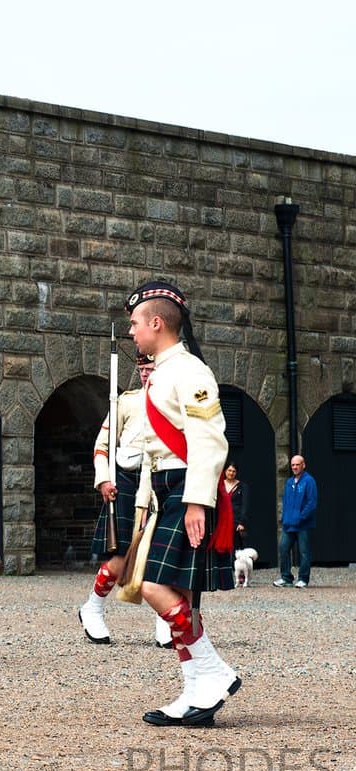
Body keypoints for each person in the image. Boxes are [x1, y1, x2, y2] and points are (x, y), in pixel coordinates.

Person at [126, 281, 240, 727]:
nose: (132, 331)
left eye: (136, 323)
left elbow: (210, 438)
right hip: (166, 489)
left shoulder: (189, 370)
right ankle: (198, 691)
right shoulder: (164, 370)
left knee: (153, 587)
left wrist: (196, 502)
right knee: (183, 599)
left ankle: (213, 672)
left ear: (156, 323)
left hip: (187, 488)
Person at [78, 354, 168, 646]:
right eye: (141, 368)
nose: (145, 373)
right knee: (119, 556)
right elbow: (102, 446)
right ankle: (93, 606)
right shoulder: (126, 402)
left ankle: (165, 620)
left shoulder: (176, 403)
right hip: (127, 481)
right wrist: (104, 479)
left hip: (162, 480)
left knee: (161, 555)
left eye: (150, 368)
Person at [275, 455, 318, 588]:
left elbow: (312, 502)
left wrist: (301, 517)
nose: (294, 467)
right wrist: (285, 518)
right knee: (283, 548)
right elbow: (286, 502)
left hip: (303, 524)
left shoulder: (309, 481)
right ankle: (286, 577)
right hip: (289, 524)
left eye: (297, 464)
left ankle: (303, 579)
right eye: (293, 465)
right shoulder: (289, 482)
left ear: (303, 465)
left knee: (304, 552)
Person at [223, 463, 250, 553]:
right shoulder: (220, 486)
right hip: (222, 520)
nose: (231, 473)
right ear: (225, 471)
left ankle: (236, 566)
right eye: (229, 470)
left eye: (234, 471)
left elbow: (245, 505)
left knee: (236, 547)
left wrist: (242, 522)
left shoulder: (242, 486)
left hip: (236, 520)